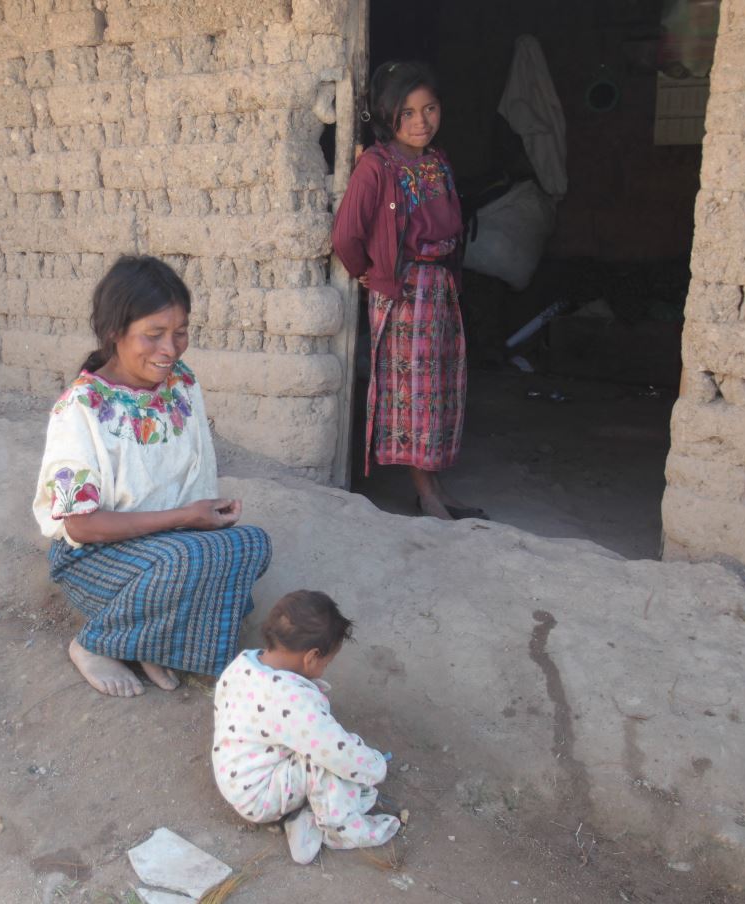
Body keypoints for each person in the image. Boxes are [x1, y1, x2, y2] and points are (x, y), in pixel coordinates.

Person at [33, 255, 272, 698]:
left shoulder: (181, 384)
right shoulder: (80, 409)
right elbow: (80, 525)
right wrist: (184, 519)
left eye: (180, 332)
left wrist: (204, 515)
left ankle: (152, 642)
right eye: (154, 334)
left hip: (171, 544)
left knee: (252, 545)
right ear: (113, 332)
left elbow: (193, 475)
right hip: (94, 559)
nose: (171, 348)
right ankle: (93, 644)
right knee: (188, 561)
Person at [332, 60, 488, 521]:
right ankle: (426, 495)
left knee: (441, 389)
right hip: (405, 292)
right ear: (387, 114)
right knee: (414, 393)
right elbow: (346, 235)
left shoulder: (437, 161)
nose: (421, 121)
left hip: (440, 288)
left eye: (430, 109)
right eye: (407, 113)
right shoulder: (376, 167)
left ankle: (436, 486)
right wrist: (369, 272)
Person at [212, 590, 400, 864]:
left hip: (233, 775)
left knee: (314, 746)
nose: (326, 666)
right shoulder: (292, 700)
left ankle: (302, 816)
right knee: (323, 760)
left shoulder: (244, 664)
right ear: (311, 657)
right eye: (328, 660)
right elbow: (337, 751)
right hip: (260, 797)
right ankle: (342, 830)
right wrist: (373, 766)